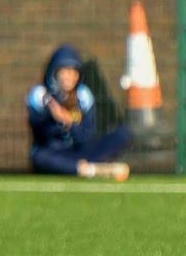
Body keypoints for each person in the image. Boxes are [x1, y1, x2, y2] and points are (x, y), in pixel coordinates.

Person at [27, 44, 131, 181]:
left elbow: (86, 135)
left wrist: (70, 123)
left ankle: (83, 166)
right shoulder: (40, 95)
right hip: (54, 152)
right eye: (64, 71)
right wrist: (50, 115)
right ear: (54, 72)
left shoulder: (84, 96)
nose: (69, 77)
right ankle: (90, 170)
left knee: (123, 134)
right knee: (38, 157)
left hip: (79, 151)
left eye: (73, 72)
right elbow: (38, 130)